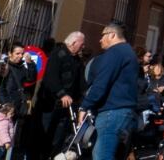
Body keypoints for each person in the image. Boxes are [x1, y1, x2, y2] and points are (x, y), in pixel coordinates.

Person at [78, 21, 140, 160]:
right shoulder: (128, 52)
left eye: (103, 35)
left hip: (112, 112)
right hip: (123, 111)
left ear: (112, 35)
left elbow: (101, 83)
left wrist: (84, 106)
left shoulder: (115, 52)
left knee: (102, 155)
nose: (100, 39)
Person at [34, 30, 84, 159]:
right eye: (81, 44)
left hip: (66, 107)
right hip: (49, 105)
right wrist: (62, 94)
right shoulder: (57, 54)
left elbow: (80, 83)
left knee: (58, 138)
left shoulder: (77, 60)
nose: (83, 47)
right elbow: (51, 78)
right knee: (43, 135)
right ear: (74, 43)